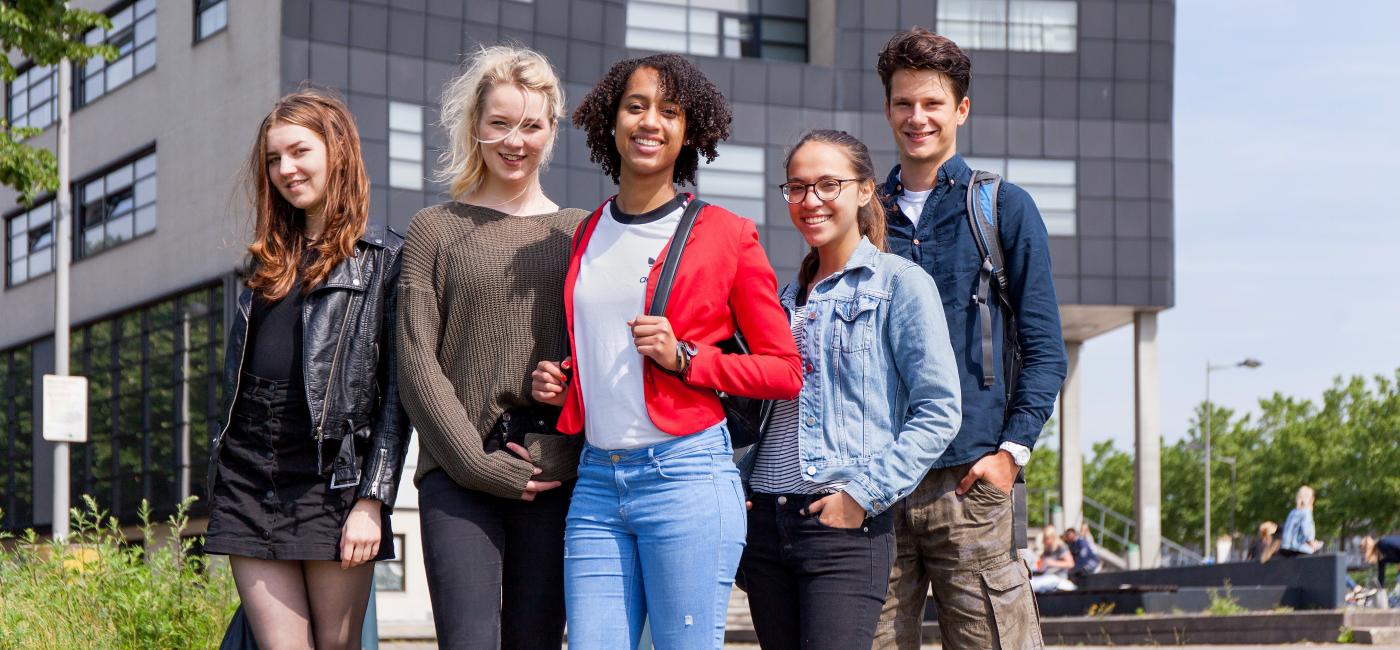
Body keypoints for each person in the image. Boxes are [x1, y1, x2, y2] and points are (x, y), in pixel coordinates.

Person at [531, 53, 802, 649]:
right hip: (597, 481)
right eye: (636, 106)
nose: (650, 121)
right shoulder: (586, 231)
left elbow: (785, 372)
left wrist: (687, 358)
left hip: (687, 478)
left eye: (668, 111)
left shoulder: (728, 235)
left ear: (688, 133)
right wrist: (566, 379)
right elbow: (604, 351)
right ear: (611, 122)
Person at [869, 27, 1068, 650]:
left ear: (960, 110)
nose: (917, 117)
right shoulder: (861, 215)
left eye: (932, 103)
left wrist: (1010, 455)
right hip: (877, 487)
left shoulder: (1004, 208)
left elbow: (1045, 350)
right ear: (888, 110)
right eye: (904, 103)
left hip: (972, 485)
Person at [735, 129, 963, 649]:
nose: (810, 201)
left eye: (826, 185)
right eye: (796, 187)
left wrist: (862, 496)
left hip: (841, 527)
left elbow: (939, 411)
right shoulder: (780, 298)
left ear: (864, 191)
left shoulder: (900, 284)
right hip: (767, 525)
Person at [396, 46, 586, 649]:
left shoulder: (579, 230)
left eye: (531, 125)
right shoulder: (436, 228)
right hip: (458, 474)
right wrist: (473, 463)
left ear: (552, 131)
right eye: (500, 123)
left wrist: (564, 406)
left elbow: (601, 355)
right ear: (475, 126)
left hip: (552, 477)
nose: (514, 140)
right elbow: (415, 360)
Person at [204, 89, 409, 650]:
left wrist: (373, 499)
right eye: (273, 159)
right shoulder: (262, 264)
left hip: (332, 480)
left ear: (336, 151)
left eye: (299, 152)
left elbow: (396, 397)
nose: (285, 170)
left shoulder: (385, 261)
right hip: (249, 472)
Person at [1278, 485, 1323, 558]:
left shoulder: (1292, 512)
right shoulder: (1306, 512)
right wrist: (1312, 543)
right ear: (1310, 499)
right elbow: (1307, 531)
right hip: (1299, 549)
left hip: (1286, 548)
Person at [1030, 525, 1076, 593]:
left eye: (1047, 538)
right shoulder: (1047, 549)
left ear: (1053, 537)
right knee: (1029, 583)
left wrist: (1053, 563)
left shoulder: (1061, 547)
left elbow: (1071, 564)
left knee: (1033, 585)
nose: (1045, 541)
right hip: (1047, 576)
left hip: (1058, 578)